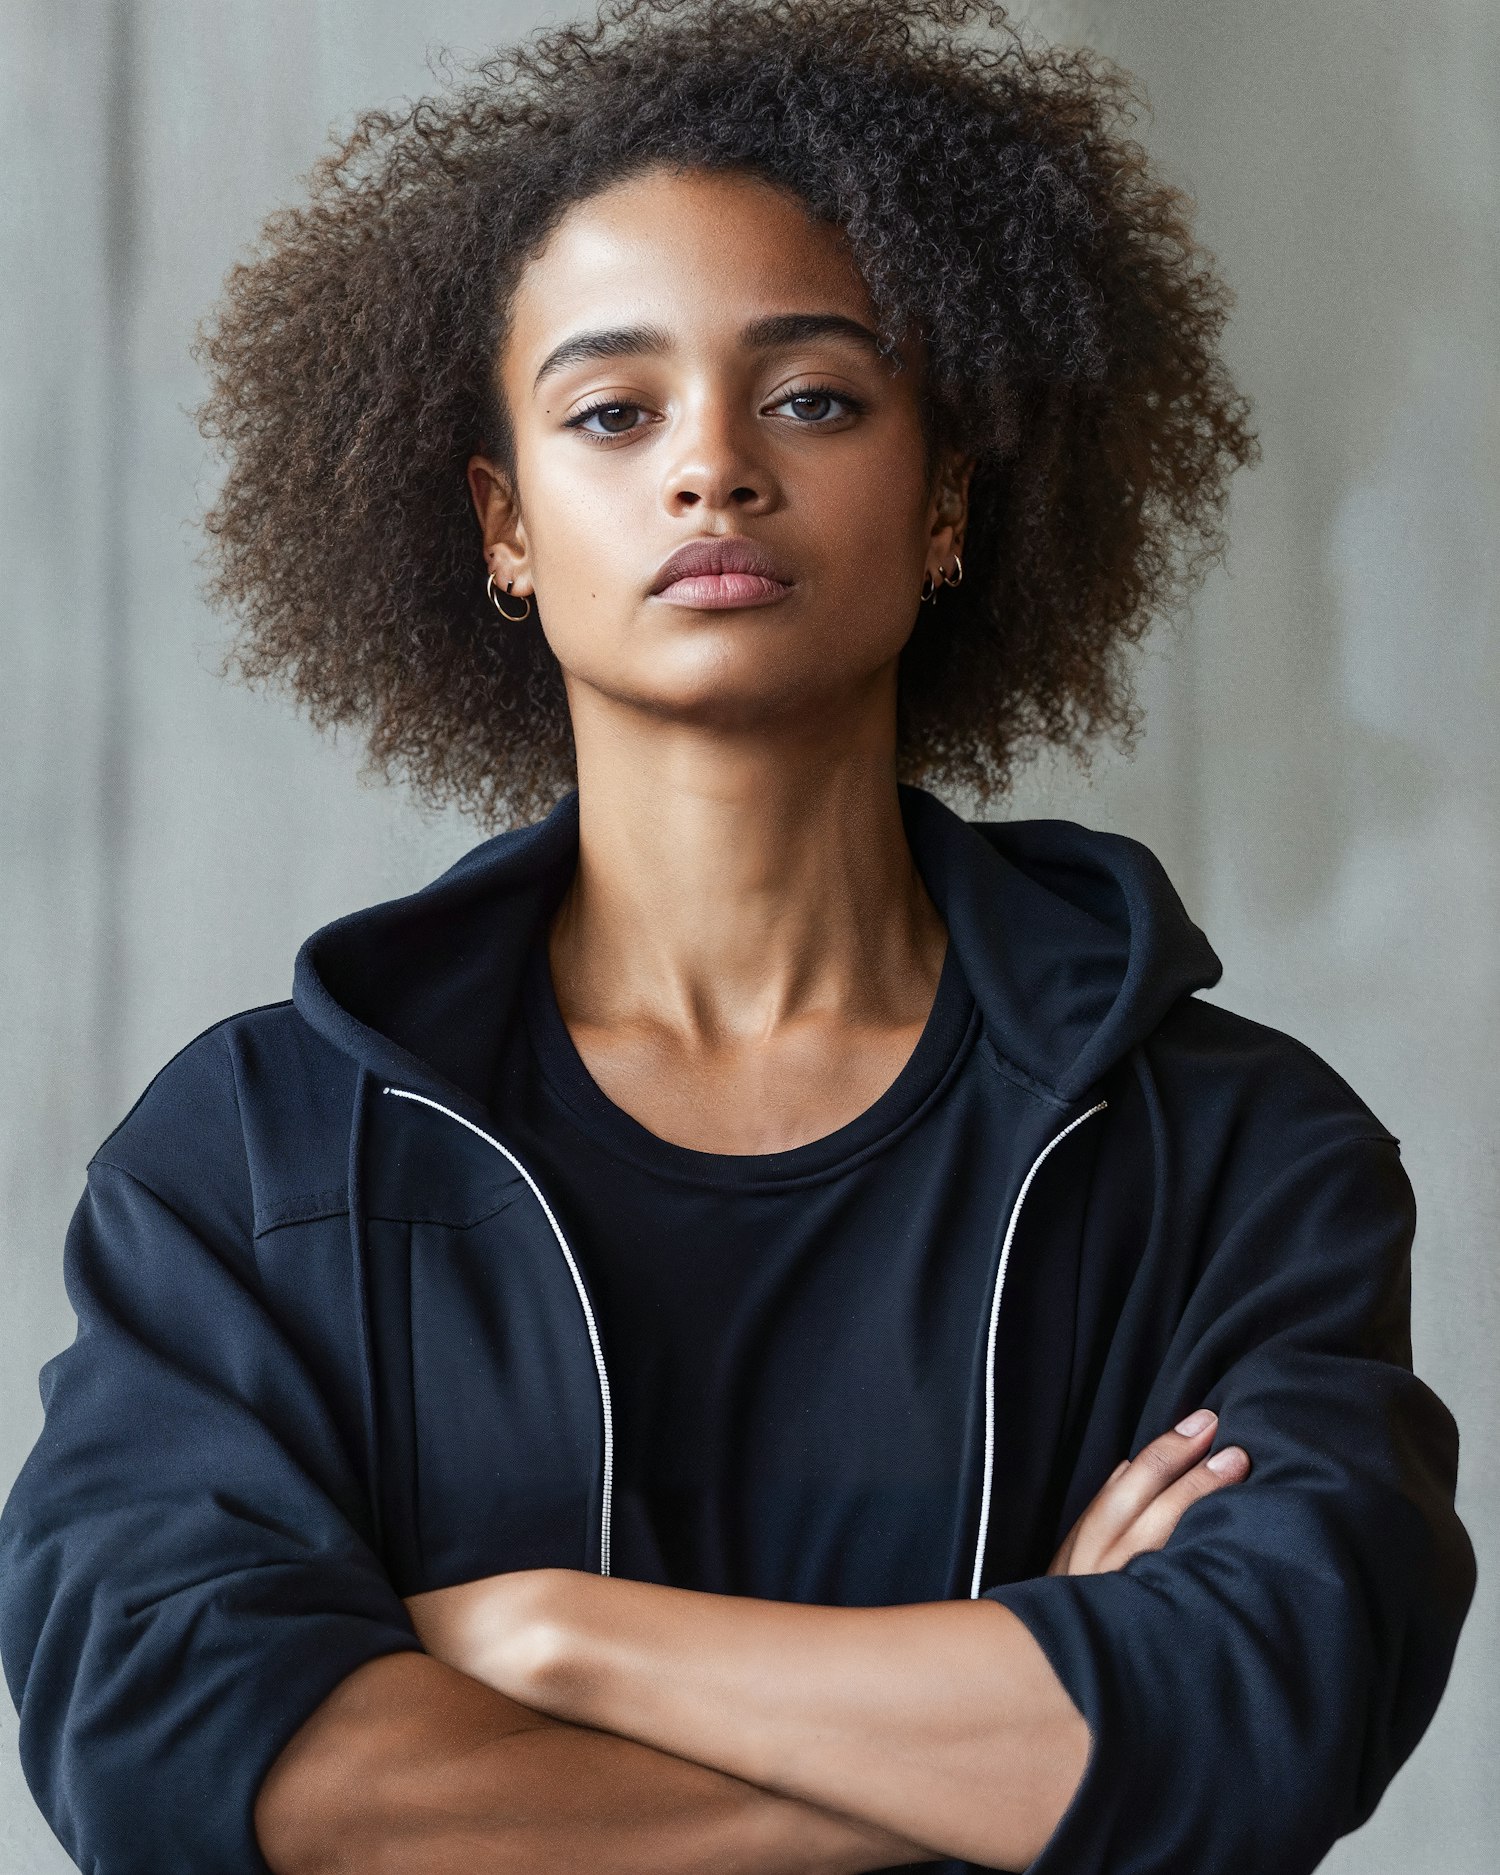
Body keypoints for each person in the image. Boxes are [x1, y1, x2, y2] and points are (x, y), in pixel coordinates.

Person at [0, 2, 1474, 1871]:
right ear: (503, 524)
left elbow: (1264, 1715)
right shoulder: (260, 1159)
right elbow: (180, 1763)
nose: (714, 470)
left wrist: (552, 1635)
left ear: (945, 496)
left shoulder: (1238, 1159)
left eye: (814, 398)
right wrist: (998, 1756)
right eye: (614, 413)